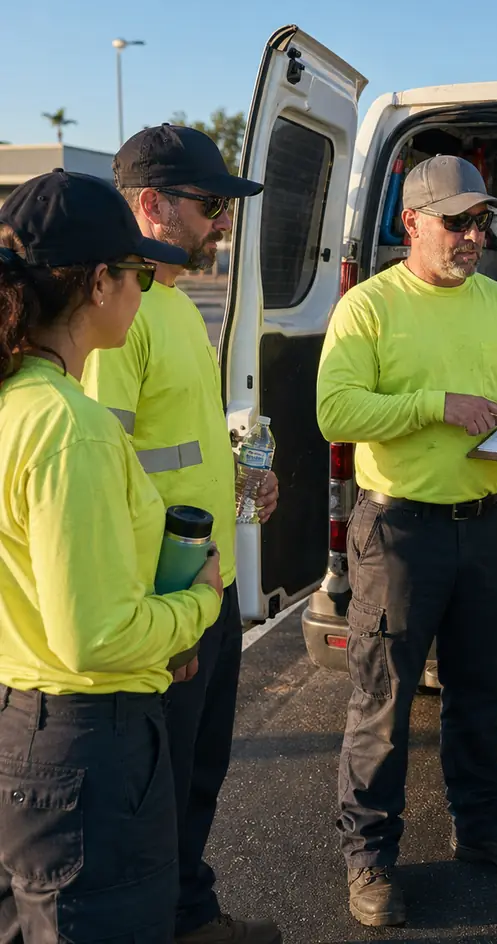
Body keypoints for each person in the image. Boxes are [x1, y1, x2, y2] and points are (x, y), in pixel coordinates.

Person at [317, 155, 497, 927]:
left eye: (483, 222)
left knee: (478, 696)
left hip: (482, 528)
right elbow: (335, 412)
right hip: (400, 531)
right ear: (412, 223)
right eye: (458, 221)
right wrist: (439, 405)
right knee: (383, 702)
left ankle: (483, 831)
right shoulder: (369, 307)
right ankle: (370, 859)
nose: (475, 235)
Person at [0, 170, 223, 942]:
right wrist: (197, 604)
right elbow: (93, 635)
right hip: (87, 748)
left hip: (23, 723)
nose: (143, 287)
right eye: (134, 272)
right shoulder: (72, 427)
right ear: (99, 282)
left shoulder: (16, 401)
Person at [82, 125, 281, 944]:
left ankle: (188, 913)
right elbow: (102, 480)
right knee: (152, 792)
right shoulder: (115, 318)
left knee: (200, 772)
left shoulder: (163, 304)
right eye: (209, 206)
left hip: (207, 590)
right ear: (149, 203)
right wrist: (159, 618)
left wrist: (239, 475)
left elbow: (174, 450)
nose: (221, 223)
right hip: (168, 604)